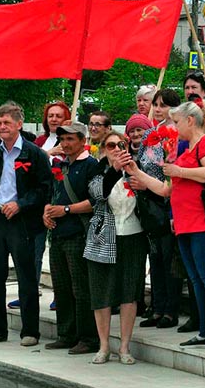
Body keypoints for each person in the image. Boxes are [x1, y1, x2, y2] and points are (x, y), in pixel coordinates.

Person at [126, 98, 205, 355]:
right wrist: (137, 171)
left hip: (204, 221)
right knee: (198, 278)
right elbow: (166, 189)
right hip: (185, 222)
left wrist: (178, 170)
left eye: (176, 122)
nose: (174, 127)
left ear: (190, 120)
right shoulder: (184, 148)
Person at [0, 102, 52, 346]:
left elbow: (44, 188)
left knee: (26, 276)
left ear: (19, 124)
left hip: (23, 221)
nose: (2, 127)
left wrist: (21, 203)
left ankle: (30, 331)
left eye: (7, 123)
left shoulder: (33, 153)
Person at [84, 131, 148, 365]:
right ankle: (103, 345)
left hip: (133, 236)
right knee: (101, 293)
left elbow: (152, 194)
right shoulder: (97, 171)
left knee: (129, 293)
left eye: (121, 144)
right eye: (111, 145)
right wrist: (114, 170)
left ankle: (124, 346)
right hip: (103, 237)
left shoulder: (137, 168)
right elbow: (97, 194)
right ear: (103, 149)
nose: (117, 149)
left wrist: (136, 175)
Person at [41, 122, 100, 355]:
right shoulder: (60, 165)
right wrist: (47, 211)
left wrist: (65, 210)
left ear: (82, 141)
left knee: (81, 288)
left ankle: (88, 337)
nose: (65, 144)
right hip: (57, 234)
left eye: (70, 140)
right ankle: (66, 334)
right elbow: (51, 194)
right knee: (61, 287)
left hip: (79, 233)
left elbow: (95, 201)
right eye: (62, 140)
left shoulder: (91, 166)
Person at [8, 100, 71, 311]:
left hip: (59, 201)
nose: (54, 119)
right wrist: (49, 152)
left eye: (58, 116)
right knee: (32, 251)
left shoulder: (71, 141)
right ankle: (28, 291)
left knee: (57, 253)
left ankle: (60, 294)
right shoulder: (39, 141)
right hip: (37, 203)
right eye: (50, 116)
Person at [134, 89, 182, 330]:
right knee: (154, 256)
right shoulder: (151, 133)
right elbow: (140, 159)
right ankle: (157, 305)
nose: (159, 109)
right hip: (148, 199)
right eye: (157, 104)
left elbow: (172, 167)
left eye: (164, 105)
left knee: (168, 257)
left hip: (168, 201)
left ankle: (170, 310)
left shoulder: (177, 133)